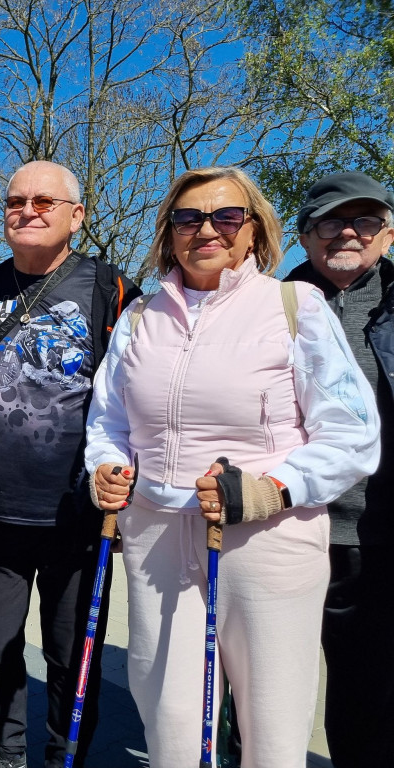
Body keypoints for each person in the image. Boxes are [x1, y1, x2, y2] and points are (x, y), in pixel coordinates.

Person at [85, 166, 381, 768]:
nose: (207, 230)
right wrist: (108, 464)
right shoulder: (141, 317)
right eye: (189, 218)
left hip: (267, 538)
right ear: (171, 233)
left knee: (271, 726)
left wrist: (274, 489)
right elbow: (107, 421)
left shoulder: (294, 305)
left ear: (253, 232)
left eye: (227, 216)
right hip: (157, 535)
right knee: (170, 719)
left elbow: (353, 432)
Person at [0, 160, 140, 768]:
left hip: (80, 523)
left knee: (72, 657)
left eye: (45, 202)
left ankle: (65, 757)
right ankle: (5, 757)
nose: (28, 210)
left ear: (77, 216)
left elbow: (143, 393)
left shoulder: (113, 290)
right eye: (16, 201)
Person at [283, 171, 394, 766]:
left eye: (366, 220)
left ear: (388, 233)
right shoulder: (267, 306)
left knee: (368, 696)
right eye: (331, 220)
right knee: (266, 688)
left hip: (376, 537)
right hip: (285, 528)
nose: (349, 232)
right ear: (304, 235)